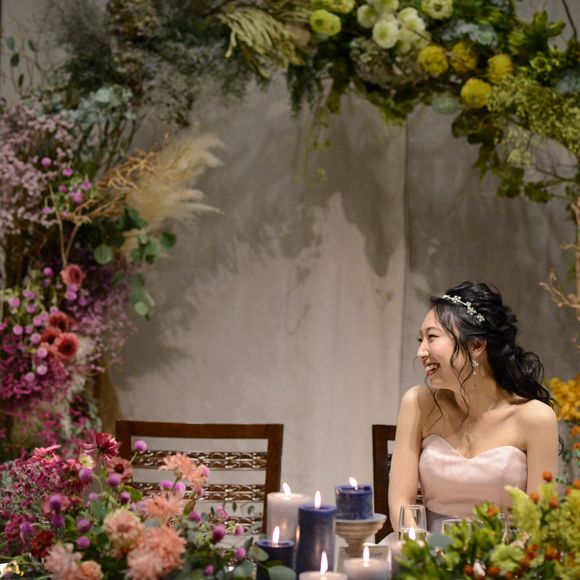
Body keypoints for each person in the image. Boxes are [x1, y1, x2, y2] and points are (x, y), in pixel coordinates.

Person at [388, 281, 559, 535]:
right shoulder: (418, 403)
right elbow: (401, 503)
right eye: (420, 339)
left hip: (505, 554)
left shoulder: (535, 418)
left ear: (476, 345)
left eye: (431, 337)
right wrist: (420, 549)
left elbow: (539, 523)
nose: (421, 352)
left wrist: (507, 556)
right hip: (426, 550)